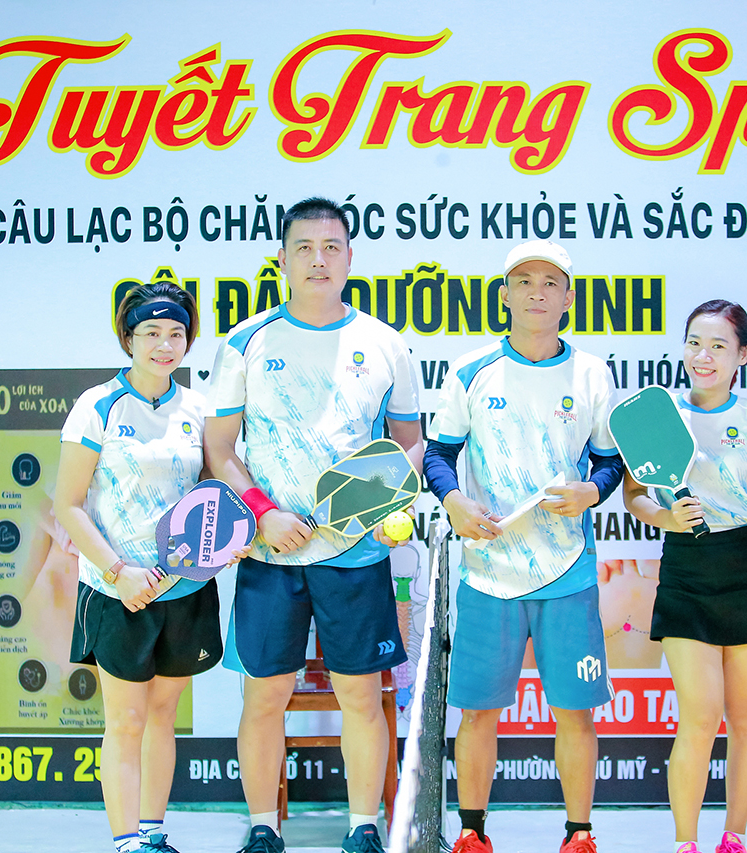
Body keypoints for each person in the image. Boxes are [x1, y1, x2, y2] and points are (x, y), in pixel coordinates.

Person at [204, 197, 422, 853]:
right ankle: (263, 826)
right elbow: (220, 450)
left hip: (355, 554)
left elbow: (410, 444)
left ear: (350, 257)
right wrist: (263, 512)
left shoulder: (385, 344)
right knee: (264, 697)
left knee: (361, 696)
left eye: (331, 247)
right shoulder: (245, 342)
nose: (318, 260)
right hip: (270, 554)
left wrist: (376, 504)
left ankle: (363, 825)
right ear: (282, 259)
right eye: (304, 247)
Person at [424, 239, 624, 853]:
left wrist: (592, 491)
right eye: (524, 281)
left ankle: (579, 834)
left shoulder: (592, 374)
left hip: (567, 571)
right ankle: (473, 832)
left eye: (550, 282)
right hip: (489, 570)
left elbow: (610, 463)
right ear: (505, 295)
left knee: (575, 711)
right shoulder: (471, 371)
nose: (537, 292)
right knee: (478, 712)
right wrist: (454, 502)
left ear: (568, 298)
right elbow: (438, 455)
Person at [624, 300, 747, 853]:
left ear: (742, 355)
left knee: (746, 718)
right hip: (687, 572)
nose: (703, 356)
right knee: (699, 718)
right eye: (694, 343)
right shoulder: (655, 414)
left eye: (719, 346)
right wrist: (666, 518)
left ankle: (734, 837)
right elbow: (634, 496)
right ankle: (686, 842)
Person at [55, 282, 229, 853]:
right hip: (118, 591)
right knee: (126, 722)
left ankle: (153, 832)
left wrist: (225, 543)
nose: (164, 344)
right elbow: (68, 505)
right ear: (128, 339)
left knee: (162, 716)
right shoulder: (97, 405)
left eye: (176, 333)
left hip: (183, 590)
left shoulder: (199, 409)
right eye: (151, 332)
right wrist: (117, 572)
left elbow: (216, 494)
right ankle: (127, 842)